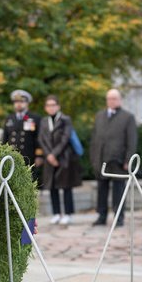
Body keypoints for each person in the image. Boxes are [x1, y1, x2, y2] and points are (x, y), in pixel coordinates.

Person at [90, 88, 138, 227]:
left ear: (120, 100)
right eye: (109, 98)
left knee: (119, 191)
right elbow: (94, 138)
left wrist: (128, 160)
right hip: (101, 160)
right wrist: (94, 158)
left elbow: (132, 140)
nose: (112, 101)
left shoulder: (128, 117)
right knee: (101, 190)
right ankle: (102, 216)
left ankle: (119, 218)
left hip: (118, 161)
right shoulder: (100, 115)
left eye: (114, 98)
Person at [38, 95, 82, 225]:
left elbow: (65, 139)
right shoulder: (44, 121)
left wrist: (54, 154)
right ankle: (56, 213)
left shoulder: (65, 119)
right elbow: (41, 139)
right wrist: (48, 155)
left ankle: (68, 213)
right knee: (52, 186)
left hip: (64, 157)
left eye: (53, 105)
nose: (51, 108)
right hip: (49, 158)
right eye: (48, 105)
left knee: (66, 186)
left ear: (58, 106)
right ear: (46, 108)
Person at [2, 89, 44, 180]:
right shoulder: (9, 118)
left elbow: (39, 138)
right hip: (12, 156)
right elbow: (5, 139)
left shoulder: (35, 118)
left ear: (27, 103)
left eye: (22, 101)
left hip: (29, 156)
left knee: (29, 182)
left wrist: (39, 155)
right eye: (16, 101)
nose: (19, 104)